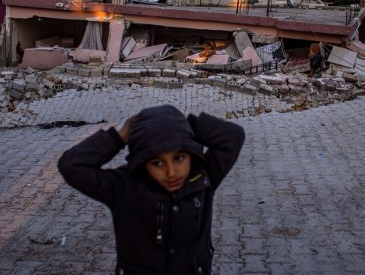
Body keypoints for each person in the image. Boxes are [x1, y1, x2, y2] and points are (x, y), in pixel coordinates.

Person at [58, 105, 245, 274]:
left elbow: (233, 137)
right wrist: (118, 137)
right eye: (157, 163)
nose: (171, 172)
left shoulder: (203, 179)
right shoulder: (124, 188)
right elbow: (71, 165)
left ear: (191, 155)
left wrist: (187, 125)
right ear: (143, 162)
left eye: (179, 158)